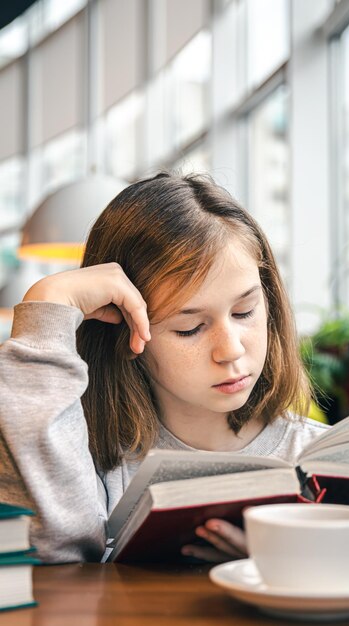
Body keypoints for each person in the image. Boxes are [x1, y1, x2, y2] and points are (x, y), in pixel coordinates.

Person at [0, 172, 328, 564]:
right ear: (126, 333)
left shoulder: (319, 456)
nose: (230, 349)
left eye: (245, 311)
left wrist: (285, 565)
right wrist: (48, 304)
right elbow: (53, 553)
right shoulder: (91, 459)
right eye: (189, 328)